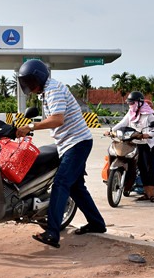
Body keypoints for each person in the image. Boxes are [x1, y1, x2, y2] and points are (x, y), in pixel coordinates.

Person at [15, 59, 107, 249]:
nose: (29, 87)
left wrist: (31, 126)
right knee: (76, 187)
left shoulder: (53, 90)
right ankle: (97, 223)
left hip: (77, 143)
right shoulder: (46, 91)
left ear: (39, 78)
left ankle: (52, 233)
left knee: (61, 184)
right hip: (70, 143)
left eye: (30, 82)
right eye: (26, 83)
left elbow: (57, 119)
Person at [111, 91, 154, 202]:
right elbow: (123, 123)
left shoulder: (149, 113)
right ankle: (145, 193)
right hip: (137, 143)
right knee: (142, 168)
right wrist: (111, 130)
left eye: (132, 103)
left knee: (149, 168)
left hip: (148, 144)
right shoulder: (131, 113)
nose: (130, 105)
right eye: (129, 103)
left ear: (139, 103)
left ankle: (151, 194)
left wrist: (149, 134)